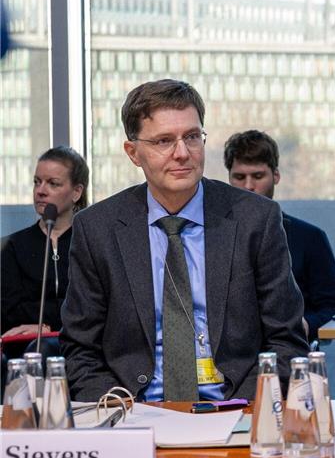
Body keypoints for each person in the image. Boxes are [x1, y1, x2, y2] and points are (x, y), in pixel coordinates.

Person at [60, 79, 308, 402]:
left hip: (235, 406)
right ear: (133, 153)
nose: (182, 153)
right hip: (135, 410)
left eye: (192, 137)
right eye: (164, 141)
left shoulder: (255, 219)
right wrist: (123, 411)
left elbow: (286, 341)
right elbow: (80, 351)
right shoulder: (98, 229)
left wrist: (244, 408)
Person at [224, 130, 335, 339]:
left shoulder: (309, 238)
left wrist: (304, 325)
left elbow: (334, 308)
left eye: (258, 176)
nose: (248, 186)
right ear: (229, 178)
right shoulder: (214, 235)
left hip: (291, 349)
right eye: (239, 177)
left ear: (276, 176)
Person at [1, 146, 88, 338]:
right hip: (25, 345)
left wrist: (49, 326)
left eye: (53, 184)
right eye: (37, 182)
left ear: (76, 192)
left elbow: (93, 306)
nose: (40, 191)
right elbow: (9, 311)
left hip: (82, 344)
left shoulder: (91, 244)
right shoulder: (11, 247)